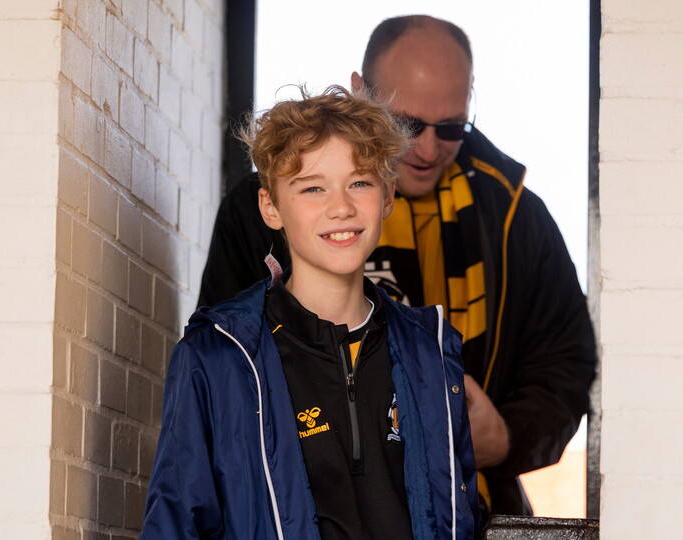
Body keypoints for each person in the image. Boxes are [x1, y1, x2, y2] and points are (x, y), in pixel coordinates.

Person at [198, 15, 597, 516]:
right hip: (307, 506)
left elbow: (566, 359)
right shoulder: (263, 208)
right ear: (360, 91)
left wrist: (507, 436)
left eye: (451, 127)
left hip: (468, 506)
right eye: (407, 125)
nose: (428, 150)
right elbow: (225, 374)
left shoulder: (516, 213)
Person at [140, 86, 479, 539]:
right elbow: (176, 525)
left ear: (388, 196)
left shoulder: (431, 353)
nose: (340, 207)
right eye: (312, 188)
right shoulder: (218, 356)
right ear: (271, 207)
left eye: (359, 182)